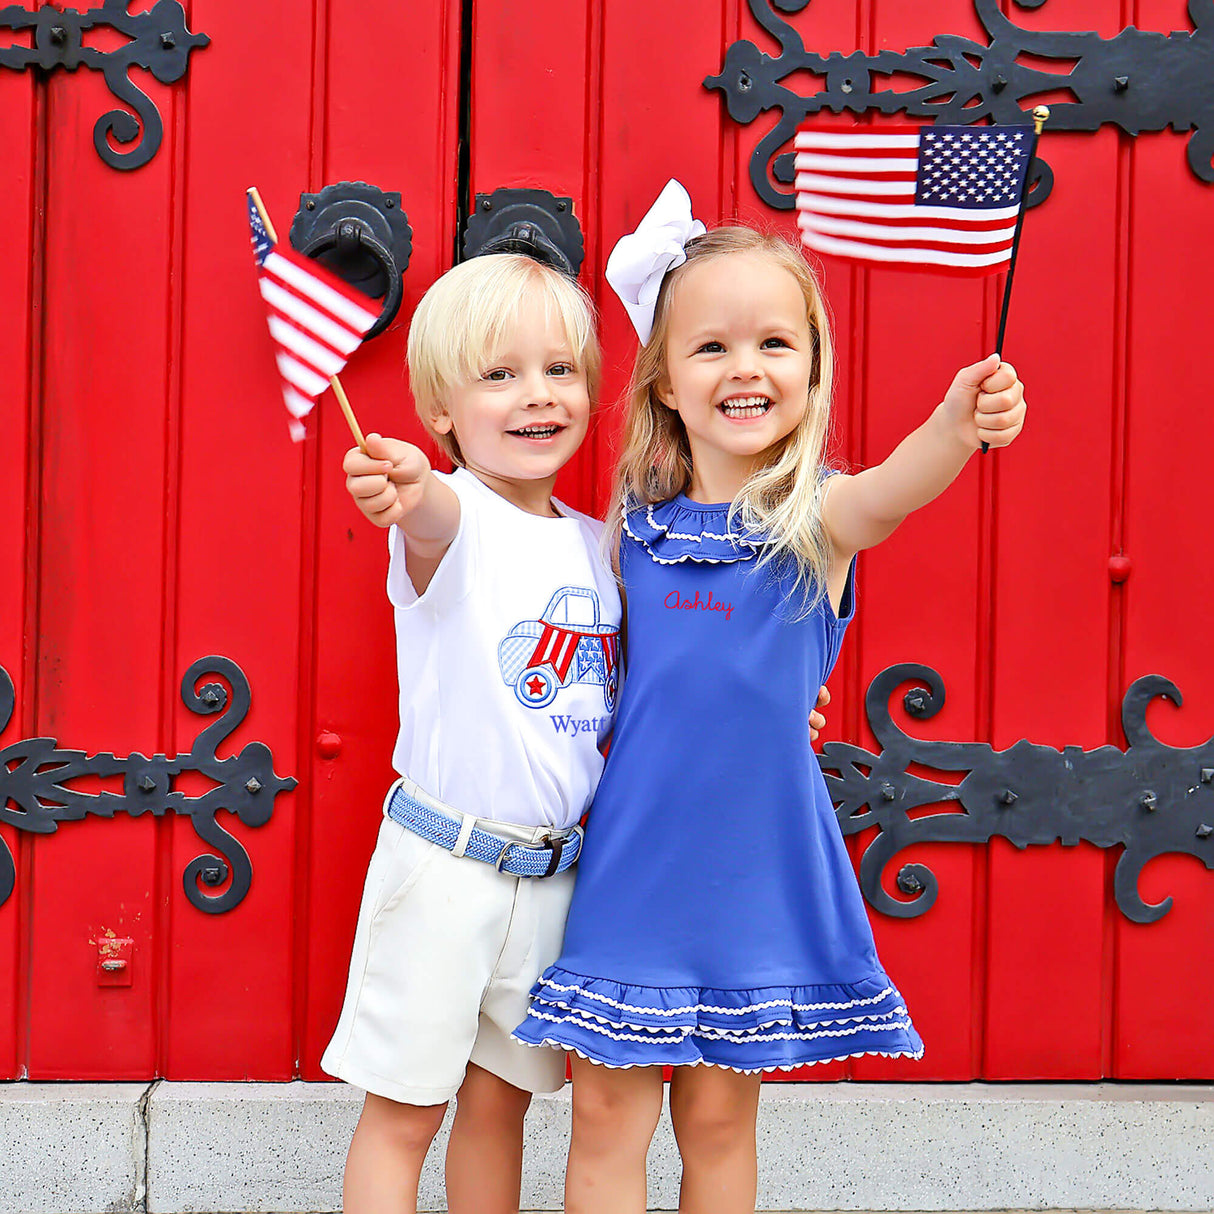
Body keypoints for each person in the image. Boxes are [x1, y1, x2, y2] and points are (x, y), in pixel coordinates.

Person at [512, 181, 1028, 1214]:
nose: (743, 367)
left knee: (715, 1121)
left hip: (754, 874)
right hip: (636, 866)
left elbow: (895, 483)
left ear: (810, 367)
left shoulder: (817, 520)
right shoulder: (631, 533)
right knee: (607, 1116)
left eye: (772, 345)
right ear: (661, 379)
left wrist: (953, 423)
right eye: (710, 347)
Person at [320, 251, 621, 1214]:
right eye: (499, 375)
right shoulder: (458, 522)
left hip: (552, 879)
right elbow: (429, 511)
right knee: (405, 1113)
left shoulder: (595, 543)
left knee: (500, 1108)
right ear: (441, 410)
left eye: (559, 370)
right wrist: (408, 481)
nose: (537, 396)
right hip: (444, 868)